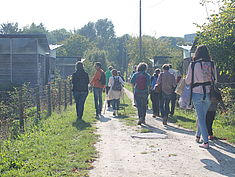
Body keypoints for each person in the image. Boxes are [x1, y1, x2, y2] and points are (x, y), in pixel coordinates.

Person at [185, 45, 216, 149]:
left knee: (201, 118)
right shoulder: (211, 64)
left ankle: (206, 142)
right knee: (202, 116)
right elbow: (215, 80)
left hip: (196, 92)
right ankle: (198, 136)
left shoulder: (193, 64)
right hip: (208, 93)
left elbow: (188, 81)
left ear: (197, 53)